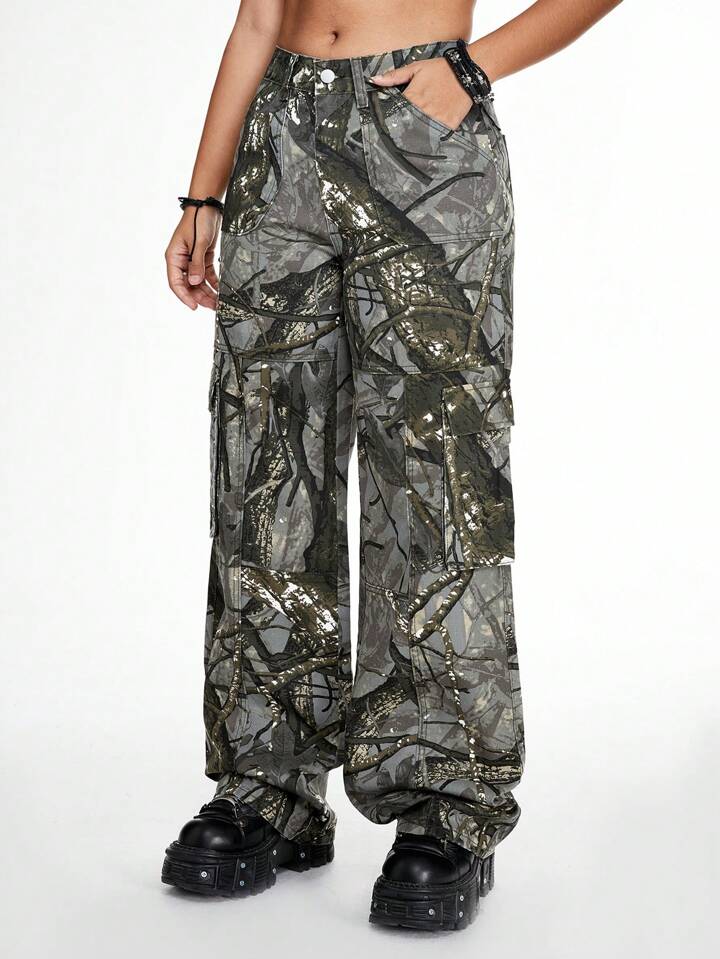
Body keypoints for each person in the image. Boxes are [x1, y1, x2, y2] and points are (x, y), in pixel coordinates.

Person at [162, 0, 622, 931]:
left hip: (423, 133)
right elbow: (258, 18)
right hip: (281, 139)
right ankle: (269, 784)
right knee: (266, 465)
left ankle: (446, 802)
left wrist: (474, 69)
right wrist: (204, 195)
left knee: (436, 471)